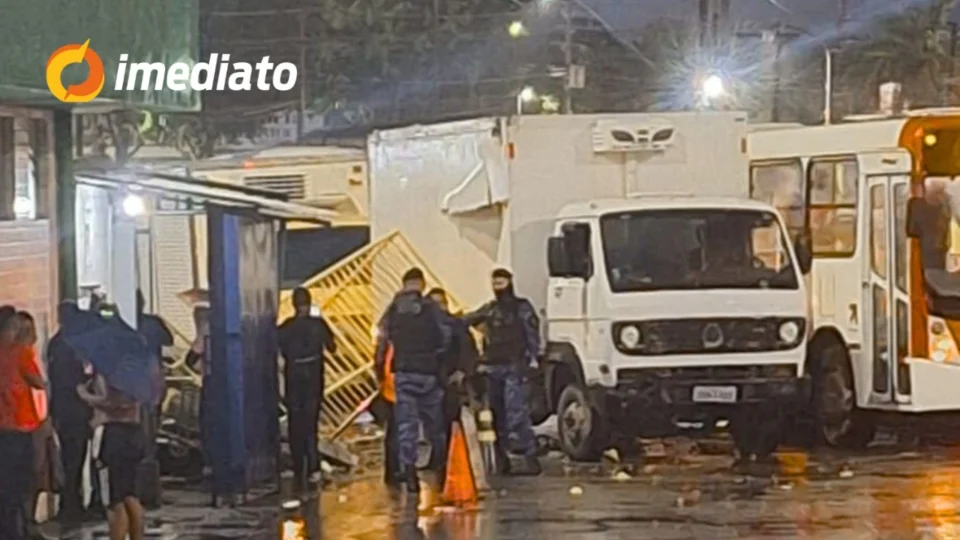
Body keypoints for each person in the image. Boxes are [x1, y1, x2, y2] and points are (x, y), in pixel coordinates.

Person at [375, 268, 450, 494]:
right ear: (422, 284)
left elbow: (382, 341)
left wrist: (380, 373)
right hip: (428, 373)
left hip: (404, 373)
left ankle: (409, 475)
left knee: (406, 426)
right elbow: (444, 337)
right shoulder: (430, 307)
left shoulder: (393, 309)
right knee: (434, 425)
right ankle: (442, 468)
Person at [463, 268, 542, 475]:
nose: (497, 287)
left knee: (516, 413)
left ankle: (528, 457)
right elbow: (466, 320)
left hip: (514, 367)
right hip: (493, 367)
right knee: (497, 414)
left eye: (501, 283)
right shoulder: (490, 309)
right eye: (494, 283)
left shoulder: (521, 308)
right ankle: (503, 458)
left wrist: (533, 360)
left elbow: (532, 335)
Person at [277, 287, 336, 494]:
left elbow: (276, 347)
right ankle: (313, 467)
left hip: (293, 377)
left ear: (294, 304)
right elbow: (332, 347)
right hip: (314, 377)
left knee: (295, 422)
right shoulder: (318, 325)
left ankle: (297, 466)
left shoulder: (285, 327)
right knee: (311, 424)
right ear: (309, 303)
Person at [77, 372, 145, 540]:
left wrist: (85, 395)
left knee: (114, 500)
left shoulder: (112, 372)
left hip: (113, 433)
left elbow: (114, 403)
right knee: (130, 494)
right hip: (135, 432)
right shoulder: (138, 370)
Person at [0, 310, 46, 540]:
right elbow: (39, 382)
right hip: (20, 425)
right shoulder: (20, 352)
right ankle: (19, 530)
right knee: (21, 484)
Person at [48, 301, 93, 526]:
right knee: (76, 458)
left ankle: (70, 503)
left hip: (62, 408)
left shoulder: (55, 343)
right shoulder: (78, 343)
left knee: (69, 457)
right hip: (77, 407)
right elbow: (84, 375)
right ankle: (72, 504)